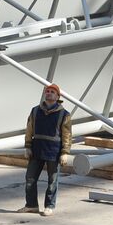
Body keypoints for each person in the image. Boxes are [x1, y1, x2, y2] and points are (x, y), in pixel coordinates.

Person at [21, 83, 73, 217]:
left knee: (52, 181)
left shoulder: (64, 114)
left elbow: (67, 135)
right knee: (30, 178)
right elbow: (29, 130)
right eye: (47, 91)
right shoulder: (35, 111)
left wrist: (65, 152)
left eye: (52, 92)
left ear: (57, 97)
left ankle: (49, 206)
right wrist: (27, 146)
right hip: (37, 149)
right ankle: (31, 205)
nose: (49, 93)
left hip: (53, 151)